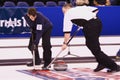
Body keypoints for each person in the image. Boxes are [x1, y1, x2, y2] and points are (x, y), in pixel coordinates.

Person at [61, 0, 120, 72]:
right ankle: (101, 62)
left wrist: (65, 43)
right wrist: (85, 19)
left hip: (90, 27)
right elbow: (95, 10)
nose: (63, 13)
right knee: (93, 45)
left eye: (63, 11)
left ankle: (114, 66)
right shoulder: (80, 8)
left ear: (67, 9)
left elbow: (67, 32)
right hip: (98, 23)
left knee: (94, 48)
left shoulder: (68, 14)